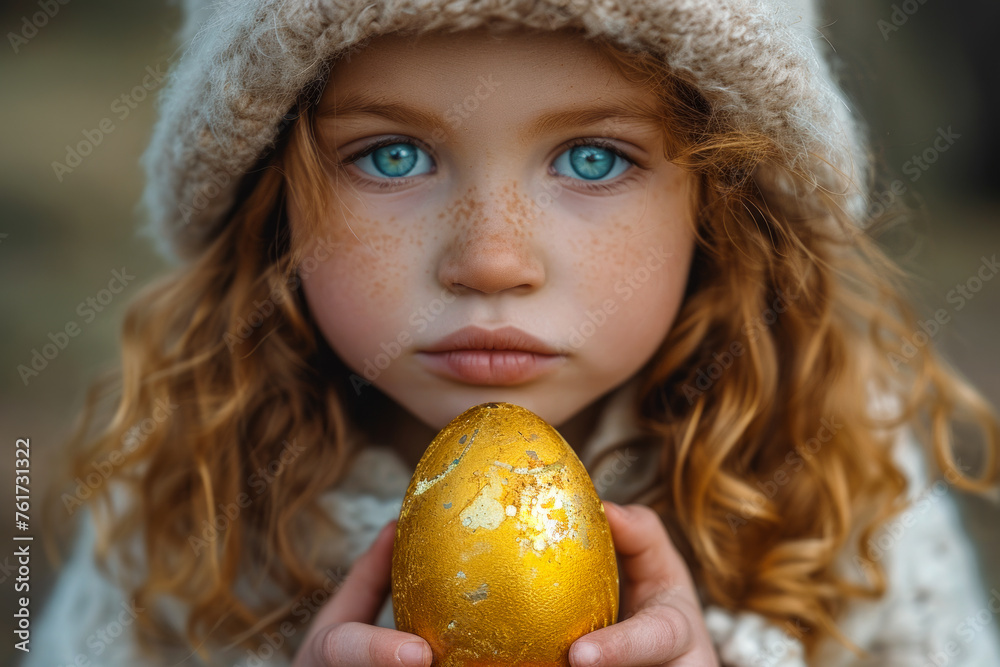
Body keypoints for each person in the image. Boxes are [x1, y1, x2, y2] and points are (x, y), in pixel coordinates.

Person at [27, 0, 1000, 665]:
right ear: (268, 202)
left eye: (590, 157)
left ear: (721, 202)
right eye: (393, 154)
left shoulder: (841, 484)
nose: (491, 258)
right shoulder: (177, 517)